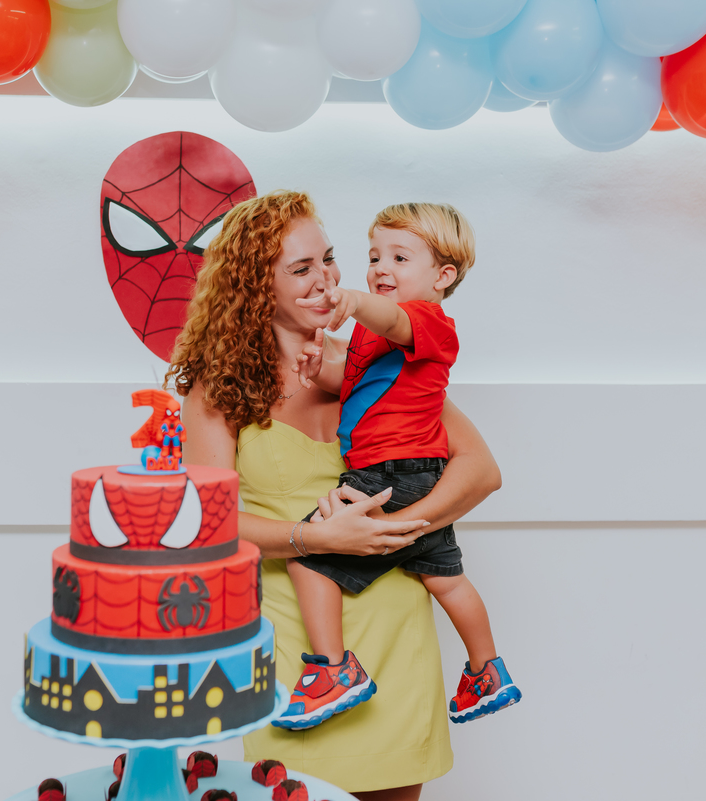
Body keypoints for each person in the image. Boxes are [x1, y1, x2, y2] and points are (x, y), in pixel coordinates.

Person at [167, 190, 502, 801]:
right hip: (300, 659)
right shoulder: (218, 390)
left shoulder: (374, 362)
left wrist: (397, 529)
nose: (326, 279)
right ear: (253, 285)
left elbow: (479, 469)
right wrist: (315, 538)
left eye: (328, 259)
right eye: (301, 268)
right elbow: (206, 525)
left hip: (397, 632)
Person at [275, 203, 519, 731]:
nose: (381, 267)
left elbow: (392, 318)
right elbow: (361, 387)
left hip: (385, 475)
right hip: (419, 473)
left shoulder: (426, 321)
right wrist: (320, 372)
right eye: (374, 256)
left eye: (399, 258)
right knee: (446, 581)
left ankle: (335, 671)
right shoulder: (375, 339)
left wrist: (356, 302)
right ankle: (487, 669)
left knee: (306, 559)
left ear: (442, 276)